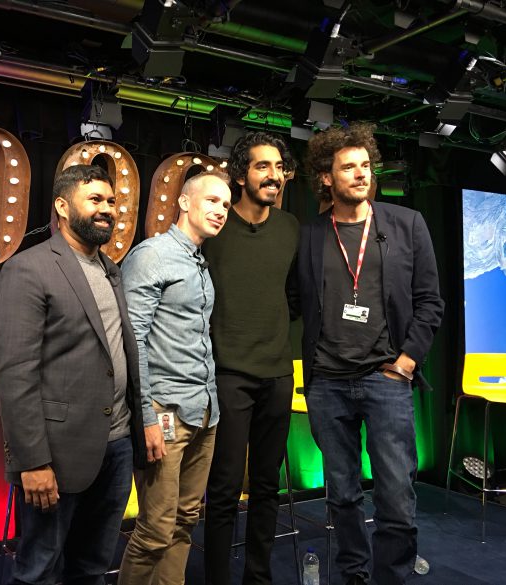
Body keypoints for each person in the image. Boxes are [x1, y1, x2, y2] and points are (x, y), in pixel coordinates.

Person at [297, 123, 444, 585]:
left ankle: (393, 578)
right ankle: (354, 574)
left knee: (396, 496)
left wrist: (407, 362)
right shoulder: (309, 235)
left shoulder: (407, 224)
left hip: (386, 380)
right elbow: (290, 301)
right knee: (341, 495)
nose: (360, 175)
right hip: (327, 383)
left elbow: (429, 301)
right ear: (326, 177)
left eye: (365, 166)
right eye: (348, 167)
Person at [0, 164, 146, 585]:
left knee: (93, 567)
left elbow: (121, 354)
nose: (107, 209)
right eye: (95, 200)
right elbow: (15, 374)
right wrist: (33, 462)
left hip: (115, 448)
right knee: (39, 571)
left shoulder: (111, 270)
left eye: (111, 201)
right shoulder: (29, 269)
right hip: (57, 455)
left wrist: (141, 424)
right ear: (62, 206)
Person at [117, 171, 232, 585]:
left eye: (225, 204)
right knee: (154, 531)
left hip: (205, 414)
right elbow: (133, 343)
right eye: (212, 200)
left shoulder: (199, 261)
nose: (220, 210)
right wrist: (145, 415)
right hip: (164, 414)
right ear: (184, 202)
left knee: (185, 521)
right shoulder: (152, 256)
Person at [201, 132, 299, 585]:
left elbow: (294, 295)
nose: (273, 176)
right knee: (222, 490)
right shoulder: (214, 229)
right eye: (263, 167)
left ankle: (258, 578)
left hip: (278, 373)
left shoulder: (290, 228)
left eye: (278, 167)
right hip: (228, 375)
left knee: (266, 487)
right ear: (240, 175)